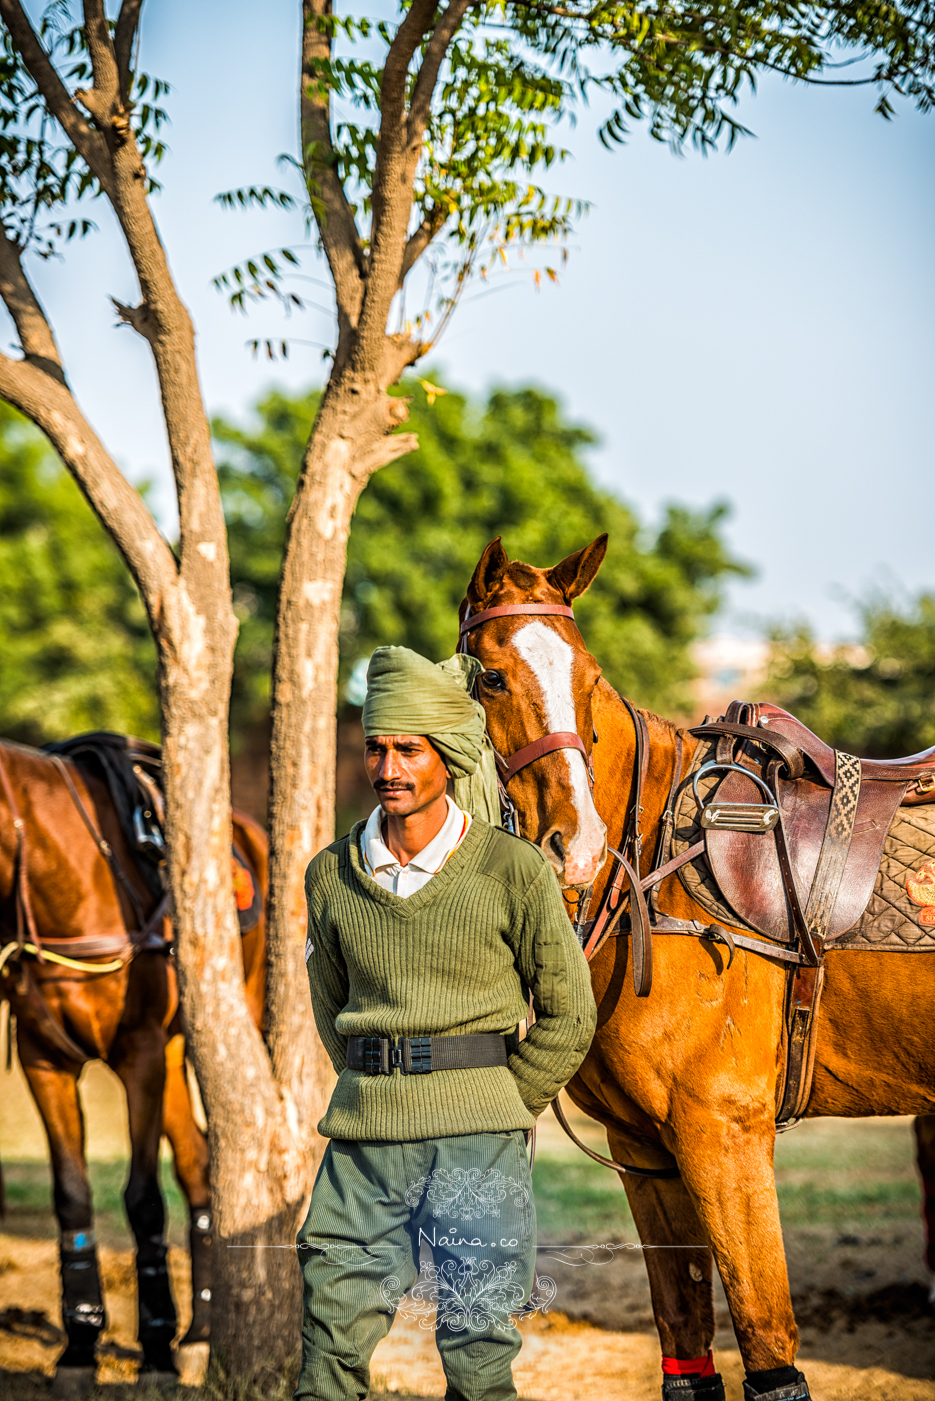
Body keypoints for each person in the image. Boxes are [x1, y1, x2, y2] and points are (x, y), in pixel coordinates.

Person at [296, 646, 597, 1401]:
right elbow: (331, 1007)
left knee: (477, 1345)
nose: (388, 767)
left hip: (478, 1146)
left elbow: (568, 1016)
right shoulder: (331, 874)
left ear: (447, 754)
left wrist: (495, 1102)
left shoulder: (513, 870)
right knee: (328, 1339)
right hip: (362, 1145)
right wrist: (377, 1085)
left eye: (408, 748)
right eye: (376, 747)